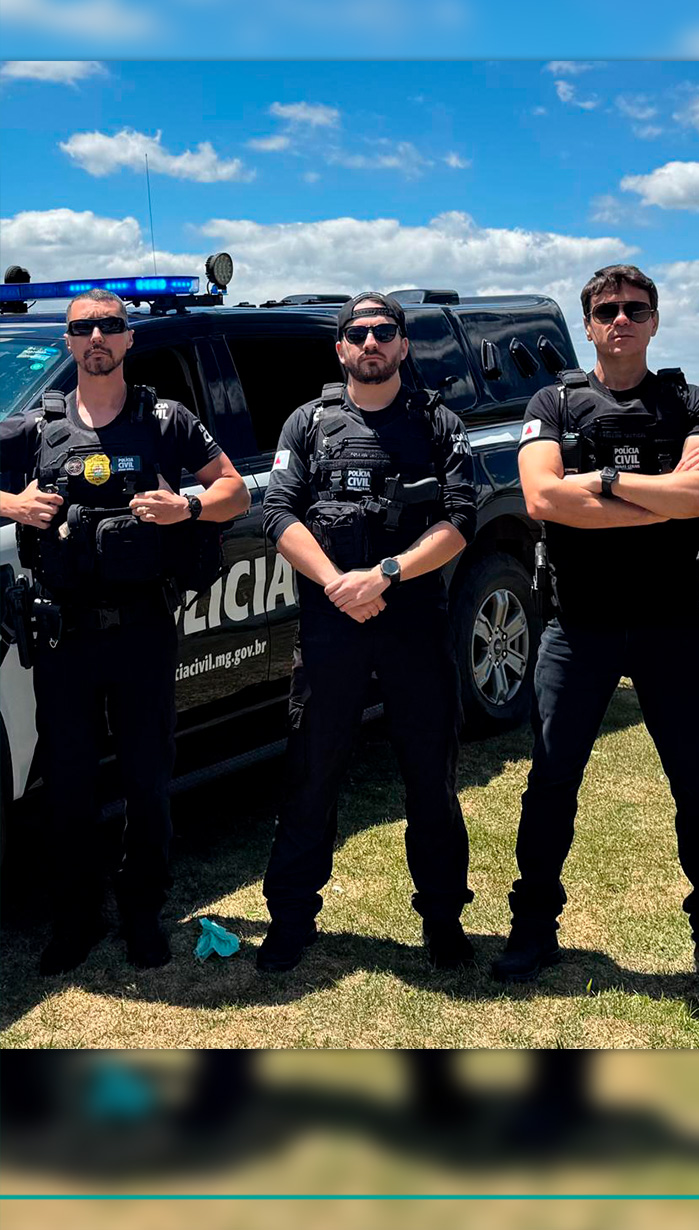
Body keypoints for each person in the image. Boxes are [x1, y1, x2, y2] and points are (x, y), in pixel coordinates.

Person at [491, 264, 699, 1003]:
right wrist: (663, 496)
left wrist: (604, 483)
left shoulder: (690, 401)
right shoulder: (553, 401)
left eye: (635, 309)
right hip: (578, 621)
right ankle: (532, 929)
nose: (621, 320)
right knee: (551, 779)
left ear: (654, 320)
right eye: (607, 310)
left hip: (671, 619)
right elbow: (542, 497)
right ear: (588, 324)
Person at [0, 288, 249, 975]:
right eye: (84, 328)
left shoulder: (164, 420)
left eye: (110, 325)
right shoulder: (39, 426)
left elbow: (235, 491)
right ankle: (74, 919)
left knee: (147, 779)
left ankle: (143, 914)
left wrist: (186, 506)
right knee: (69, 783)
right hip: (65, 636)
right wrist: (12, 502)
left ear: (129, 338)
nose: (97, 337)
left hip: (143, 631)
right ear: (69, 342)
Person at [257, 292, 477, 973]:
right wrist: (337, 584)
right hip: (332, 626)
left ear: (404, 345)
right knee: (310, 774)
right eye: (358, 333)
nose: (371, 342)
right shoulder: (308, 423)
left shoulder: (438, 423)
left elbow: (460, 520)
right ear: (341, 349)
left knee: (430, 778)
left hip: (413, 624)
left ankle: (443, 920)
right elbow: (278, 513)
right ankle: (291, 920)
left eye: (384, 331)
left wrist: (384, 574)